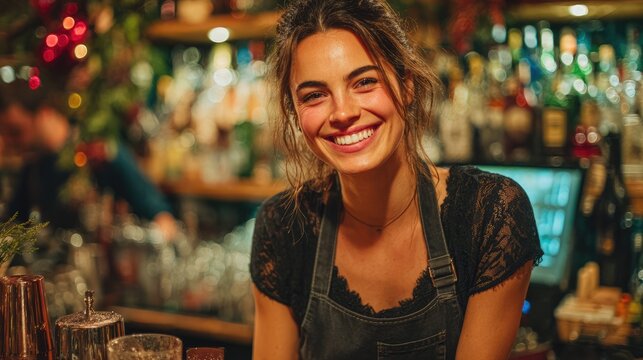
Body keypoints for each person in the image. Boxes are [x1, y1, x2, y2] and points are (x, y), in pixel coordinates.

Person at [250, 1, 544, 359]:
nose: (343, 112)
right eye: (314, 95)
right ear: (296, 115)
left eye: (364, 82)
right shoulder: (282, 226)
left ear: (406, 86)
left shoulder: (490, 214)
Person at [0, 78, 177, 241]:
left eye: (16, 131)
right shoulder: (33, 164)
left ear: (45, 114)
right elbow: (12, 225)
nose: (9, 142)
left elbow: (161, 216)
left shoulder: (95, 150)